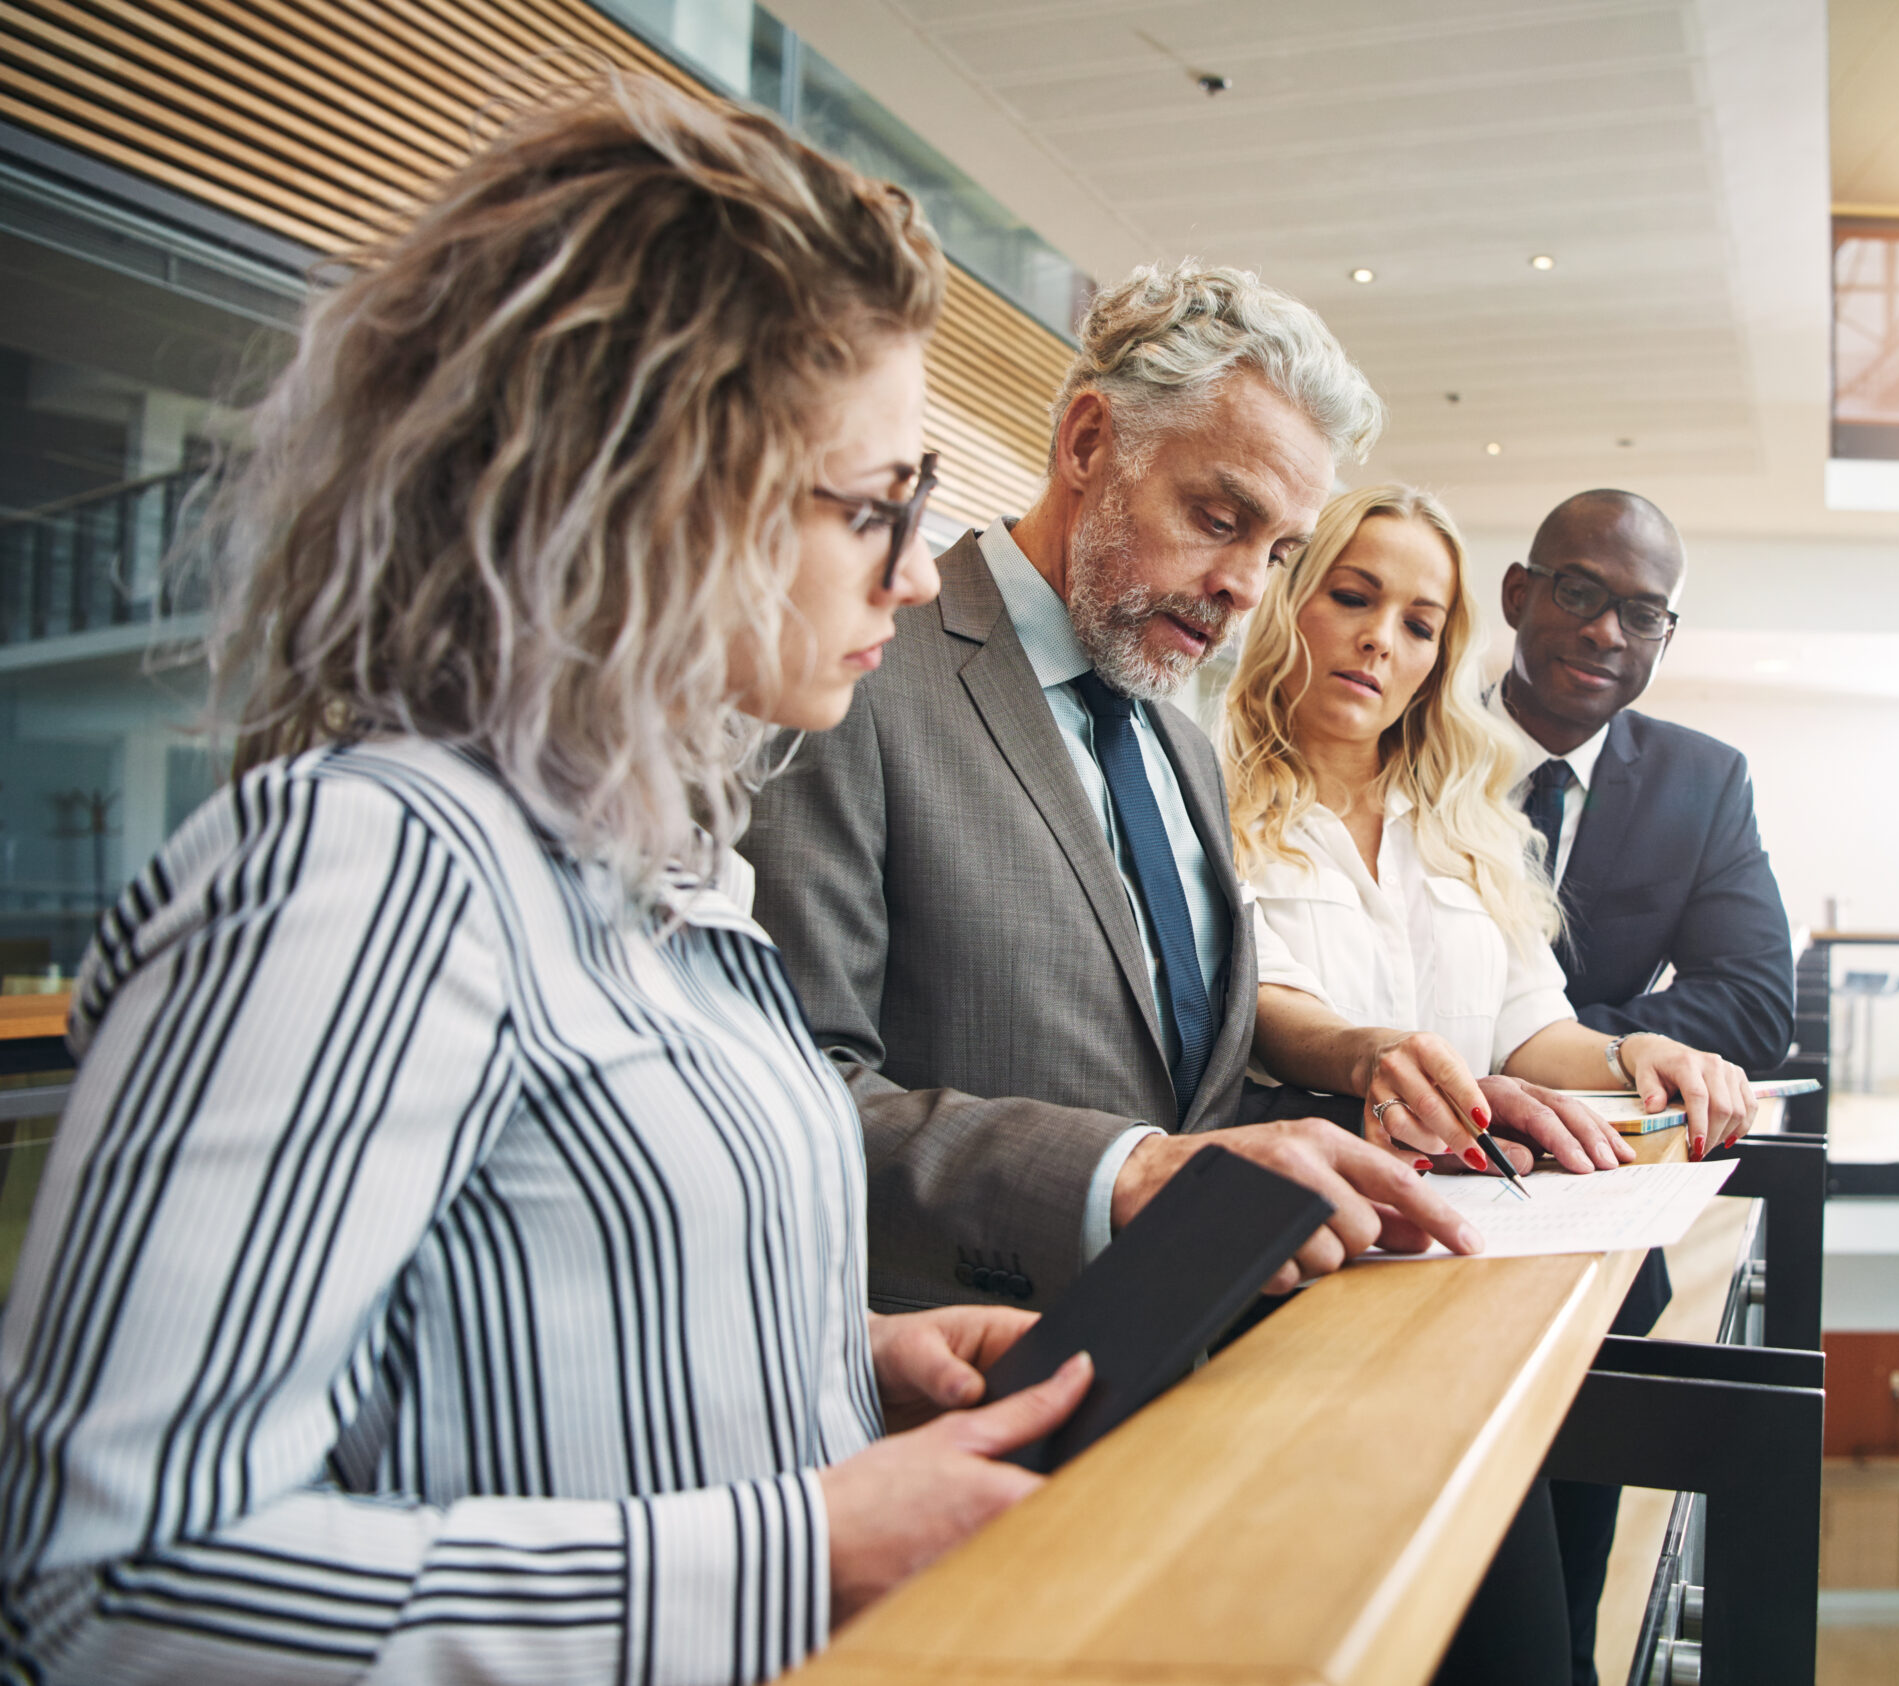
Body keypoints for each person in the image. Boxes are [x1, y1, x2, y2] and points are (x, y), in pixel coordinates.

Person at [0, 76, 1094, 1684]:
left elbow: (508, 1314)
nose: (921, 571)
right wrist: (799, 1547)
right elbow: (108, 1577)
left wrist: (842, 1364)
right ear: (653, 493)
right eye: (878, 505)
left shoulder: (652, 867)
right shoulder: (367, 870)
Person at [742, 264, 1580, 1312]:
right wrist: (1118, 1175)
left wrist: (1384, 1113)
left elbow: (1190, 1106)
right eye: (1218, 517)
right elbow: (783, 1096)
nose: (1242, 590)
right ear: (1087, 444)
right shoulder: (856, 674)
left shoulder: (1181, 750)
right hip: (953, 1389)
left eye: (1277, 552)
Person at [1217, 486, 1756, 1686]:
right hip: (1336, 1280)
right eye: (1351, 600)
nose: (1379, 642)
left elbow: (1530, 1028)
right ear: (1287, 603)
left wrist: (1632, 1057)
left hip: (1502, 1269)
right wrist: (1366, 1053)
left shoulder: (1459, 812)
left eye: (1417, 622)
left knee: (1546, 1627)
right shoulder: (1210, 797)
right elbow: (1258, 1005)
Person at [1497, 488, 1795, 1686]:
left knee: (1563, 1605)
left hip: (1596, 1231)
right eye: (1578, 592)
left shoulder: (1701, 780)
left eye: (1643, 614)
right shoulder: (1403, 733)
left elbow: (1751, 1004)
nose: (1606, 634)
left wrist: (1542, 1045)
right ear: (1519, 595)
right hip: (1391, 1214)